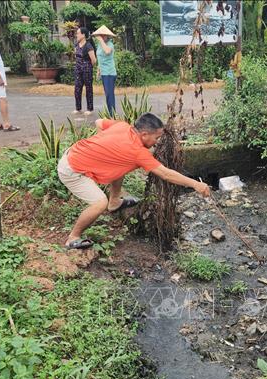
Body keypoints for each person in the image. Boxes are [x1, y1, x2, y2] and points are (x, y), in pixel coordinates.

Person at [58, 113, 211, 249]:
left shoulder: (123, 126)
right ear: (144, 134)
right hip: (72, 171)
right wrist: (196, 184)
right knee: (99, 203)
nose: (157, 142)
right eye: (156, 138)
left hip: (74, 153)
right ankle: (73, 237)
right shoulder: (138, 153)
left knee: (120, 166)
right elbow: (166, 174)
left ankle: (115, 202)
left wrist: (104, 150)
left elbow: (99, 122)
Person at [92, 25, 117, 115]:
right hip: (103, 72)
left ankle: (112, 114)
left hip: (110, 73)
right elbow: (100, 58)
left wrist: (101, 40)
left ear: (107, 36)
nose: (101, 37)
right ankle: (110, 113)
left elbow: (107, 51)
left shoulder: (110, 44)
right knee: (107, 94)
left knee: (110, 95)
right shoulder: (99, 45)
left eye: (103, 35)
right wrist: (98, 70)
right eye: (100, 35)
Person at [73, 27, 97, 115]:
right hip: (78, 69)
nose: (77, 35)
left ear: (83, 35)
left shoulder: (88, 46)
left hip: (87, 70)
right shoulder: (76, 45)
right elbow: (76, 57)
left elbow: (94, 60)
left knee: (88, 89)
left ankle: (89, 109)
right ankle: (78, 108)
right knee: (77, 88)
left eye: (78, 33)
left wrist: (87, 66)